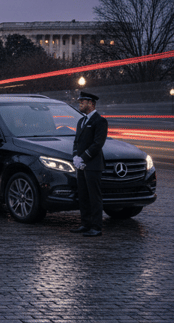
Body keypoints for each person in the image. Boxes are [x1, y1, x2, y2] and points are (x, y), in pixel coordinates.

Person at [70, 91, 108, 237]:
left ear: (91, 103)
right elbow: (76, 142)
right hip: (81, 165)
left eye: (83, 102)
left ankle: (96, 227)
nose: (80, 104)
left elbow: (98, 144)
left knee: (94, 197)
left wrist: (83, 158)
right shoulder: (81, 121)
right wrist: (75, 157)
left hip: (93, 165)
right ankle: (85, 224)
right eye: (80, 101)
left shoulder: (100, 121)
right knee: (83, 196)